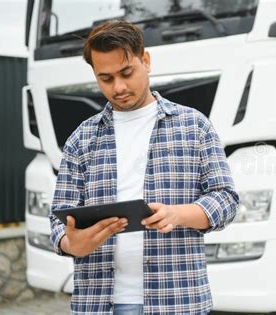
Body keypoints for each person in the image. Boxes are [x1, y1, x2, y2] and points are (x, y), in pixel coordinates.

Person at [49, 20, 239, 315]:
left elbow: (225, 201)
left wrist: (178, 214)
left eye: (127, 73)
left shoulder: (194, 126)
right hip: (98, 304)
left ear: (146, 61)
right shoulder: (80, 139)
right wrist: (72, 243)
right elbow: (59, 220)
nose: (119, 87)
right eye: (106, 78)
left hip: (177, 300)